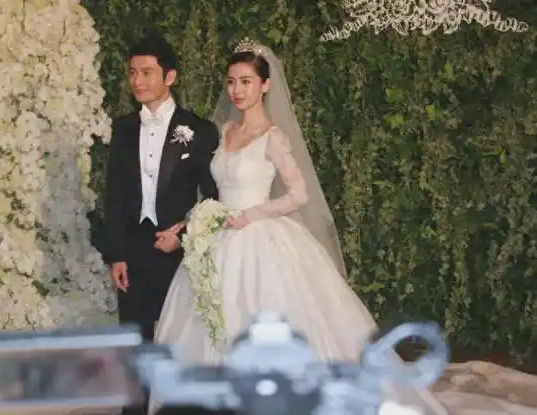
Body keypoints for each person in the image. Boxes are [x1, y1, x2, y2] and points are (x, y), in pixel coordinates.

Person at [153, 40, 537, 415]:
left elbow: (298, 194)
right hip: (220, 240)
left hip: (260, 239)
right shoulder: (226, 132)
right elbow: (218, 192)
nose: (237, 90)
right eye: (232, 81)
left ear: (265, 85)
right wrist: (191, 223)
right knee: (208, 323)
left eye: (246, 81)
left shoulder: (273, 138)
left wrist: (253, 215)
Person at [103, 34, 219, 415]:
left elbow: (213, 198)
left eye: (146, 72)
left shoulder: (199, 130)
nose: (137, 81)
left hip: (178, 253)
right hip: (133, 249)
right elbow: (114, 195)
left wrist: (182, 233)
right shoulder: (122, 128)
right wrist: (116, 254)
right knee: (133, 343)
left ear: (170, 77)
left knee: (175, 342)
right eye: (132, 72)